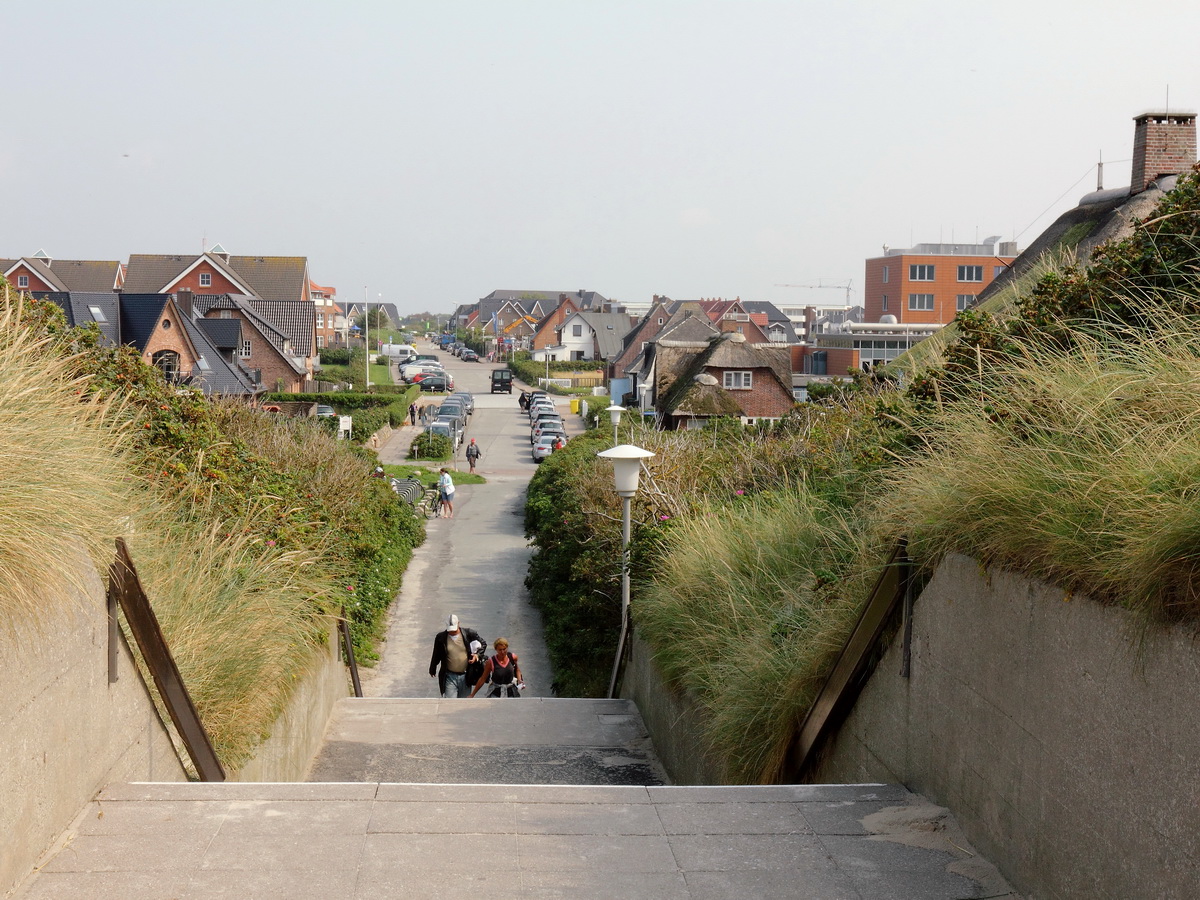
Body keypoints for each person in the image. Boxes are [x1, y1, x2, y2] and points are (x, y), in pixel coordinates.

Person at [429, 614, 484, 699]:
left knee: (463, 703)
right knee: (450, 702)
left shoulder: (469, 634)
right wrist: (433, 667)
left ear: (459, 624)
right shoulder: (441, 637)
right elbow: (436, 654)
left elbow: (483, 644)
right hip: (449, 676)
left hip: (465, 676)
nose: (452, 631)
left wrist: (477, 655)